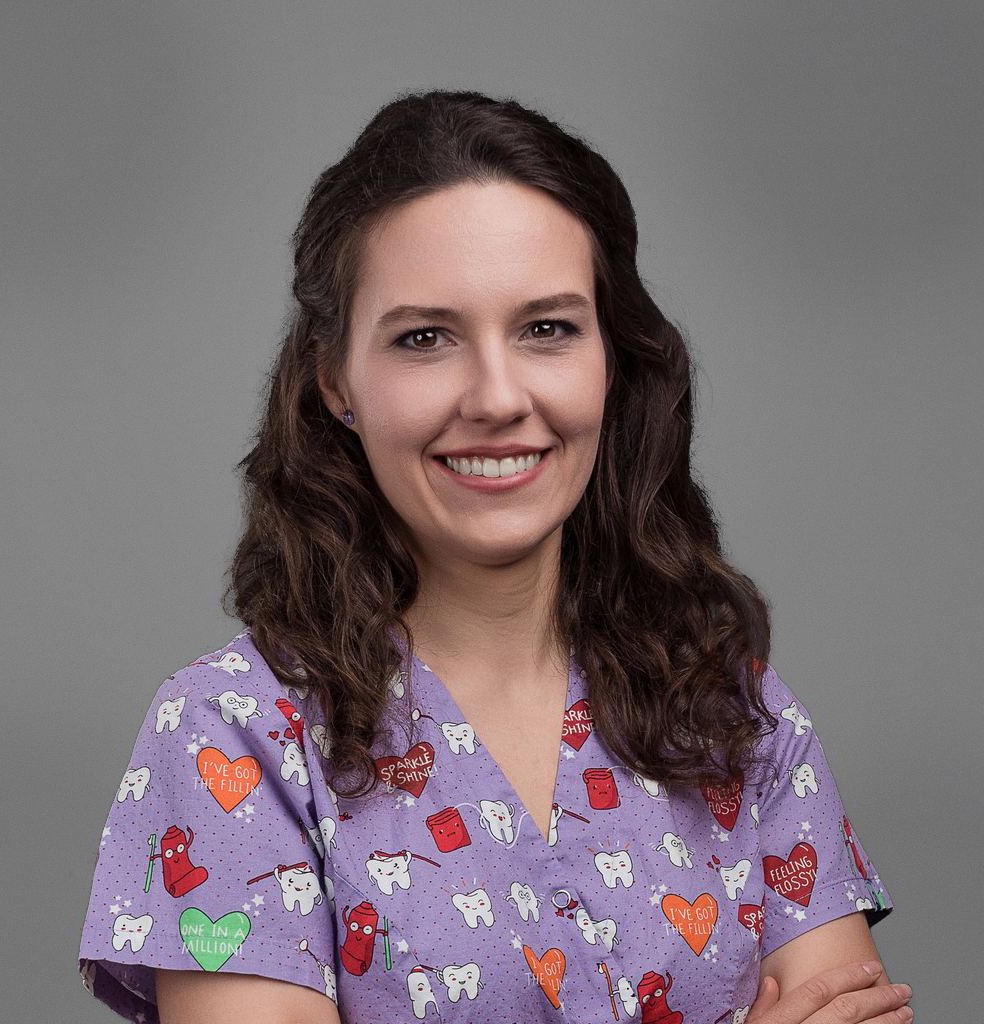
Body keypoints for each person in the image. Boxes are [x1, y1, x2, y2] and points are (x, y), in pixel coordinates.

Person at [78, 89, 908, 1024]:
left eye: (547, 328)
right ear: (335, 379)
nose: (498, 397)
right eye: (425, 338)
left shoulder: (734, 711)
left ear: (612, 356)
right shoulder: (232, 733)